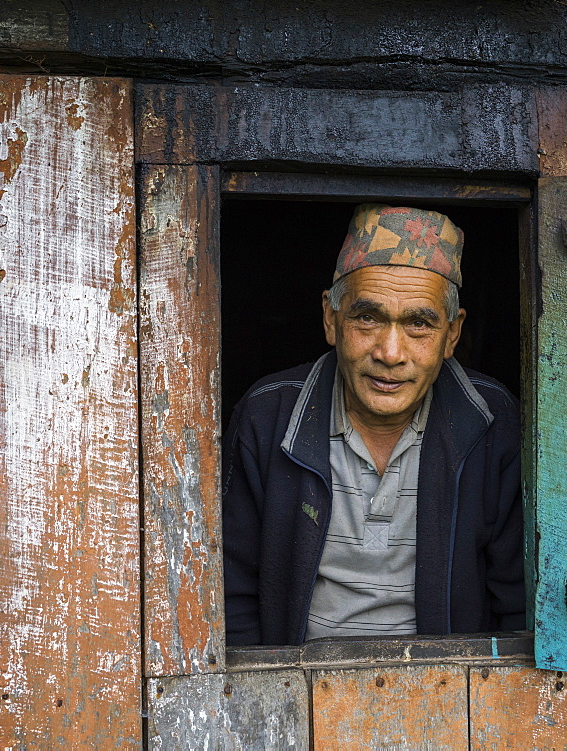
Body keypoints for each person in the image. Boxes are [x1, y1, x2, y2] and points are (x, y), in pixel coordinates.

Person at [222, 203, 524, 646]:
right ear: (331, 319)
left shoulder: (491, 423)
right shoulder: (268, 417)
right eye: (368, 317)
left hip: (455, 697)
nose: (390, 352)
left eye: (419, 323)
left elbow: (518, 605)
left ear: (452, 335)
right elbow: (230, 597)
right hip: (292, 694)